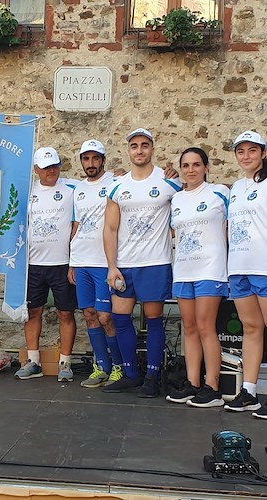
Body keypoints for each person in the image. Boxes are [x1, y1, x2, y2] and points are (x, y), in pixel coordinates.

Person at [103, 128, 182, 397]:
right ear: (128, 150)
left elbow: (188, 204)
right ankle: (131, 374)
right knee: (120, 317)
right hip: (125, 264)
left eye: (144, 145)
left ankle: (152, 375)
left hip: (155, 262)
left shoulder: (169, 181)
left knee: (154, 318)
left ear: (152, 149)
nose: (139, 150)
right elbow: (110, 229)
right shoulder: (117, 186)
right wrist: (112, 266)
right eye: (134, 145)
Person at [166, 147, 229, 408]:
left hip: (210, 270)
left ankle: (212, 387)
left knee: (206, 327)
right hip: (183, 270)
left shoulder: (220, 193)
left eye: (196, 165)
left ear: (206, 167)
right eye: (186, 165)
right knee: (189, 328)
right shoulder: (177, 199)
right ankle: (192, 384)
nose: (191, 170)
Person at [15, 146, 78, 382]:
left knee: (65, 313)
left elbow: (101, 184)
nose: (51, 171)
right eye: (45, 167)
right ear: (36, 169)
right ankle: (33, 362)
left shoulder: (72, 187)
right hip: (33, 263)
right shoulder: (27, 191)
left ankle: (65, 363)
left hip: (62, 262)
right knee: (33, 312)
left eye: (54, 166)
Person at [68, 139, 124, 388]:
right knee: (89, 314)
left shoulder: (116, 181)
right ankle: (101, 366)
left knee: (105, 317)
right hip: (81, 261)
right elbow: (76, 226)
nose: (90, 164)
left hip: (104, 262)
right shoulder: (78, 189)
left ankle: (120, 366)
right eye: (86, 159)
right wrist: (71, 262)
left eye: (95, 158)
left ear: (103, 159)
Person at [224, 130, 267, 419]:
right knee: (251, 329)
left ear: (263, 153)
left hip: (263, 266)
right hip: (239, 267)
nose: (246, 156)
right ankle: (249, 391)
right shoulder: (236, 187)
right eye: (241, 151)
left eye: (252, 150)